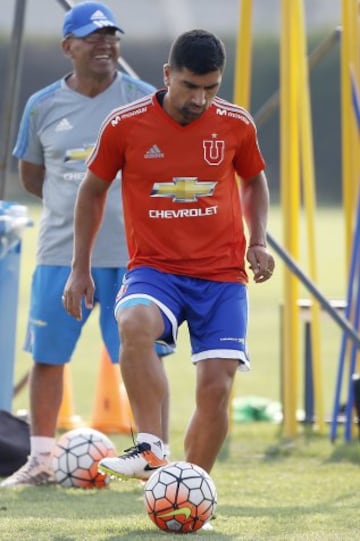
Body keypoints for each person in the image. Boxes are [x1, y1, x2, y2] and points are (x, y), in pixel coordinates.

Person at [63, 28, 275, 482]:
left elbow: (254, 180)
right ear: (167, 75)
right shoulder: (125, 124)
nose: (200, 99)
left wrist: (257, 240)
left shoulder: (236, 124)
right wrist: (79, 268)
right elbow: (92, 191)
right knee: (133, 321)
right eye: (190, 86)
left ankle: (186, 488)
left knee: (217, 387)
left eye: (211, 88)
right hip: (155, 269)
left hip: (221, 276)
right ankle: (152, 448)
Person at [0, 1, 172, 488]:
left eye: (111, 36)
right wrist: (74, 211)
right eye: (93, 36)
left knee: (144, 360)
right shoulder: (42, 105)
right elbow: (32, 175)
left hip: (134, 258)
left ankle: (155, 460)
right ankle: (39, 461)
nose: (105, 44)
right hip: (60, 254)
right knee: (48, 356)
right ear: (67, 47)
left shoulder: (144, 99)